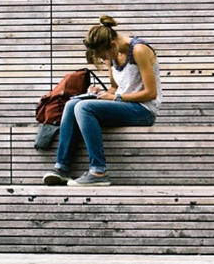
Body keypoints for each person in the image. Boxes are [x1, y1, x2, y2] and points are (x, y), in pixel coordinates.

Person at [42, 15, 162, 186]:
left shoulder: (139, 50)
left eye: (103, 55)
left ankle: (98, 171)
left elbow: (151, 93)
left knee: (84, 108)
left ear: (112, 45)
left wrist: (116, 97)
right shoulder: (111, 55)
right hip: (124, 105)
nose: (104, 59)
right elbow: (115, 88)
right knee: (71, 104)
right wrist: (100, 93)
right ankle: (62, 167)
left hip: (143, 110)